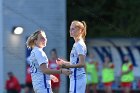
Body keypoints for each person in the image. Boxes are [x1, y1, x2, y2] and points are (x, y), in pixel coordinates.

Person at [56, 20, 87, 93]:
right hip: (75, 77)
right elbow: (75, 62)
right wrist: (64, 63)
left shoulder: (79, 44)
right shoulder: (76, 44)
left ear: (80, 30)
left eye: (73, 29)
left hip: (78, 77)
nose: (70, 31)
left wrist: (66, 66)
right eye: (70, 29)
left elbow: (82, 64)